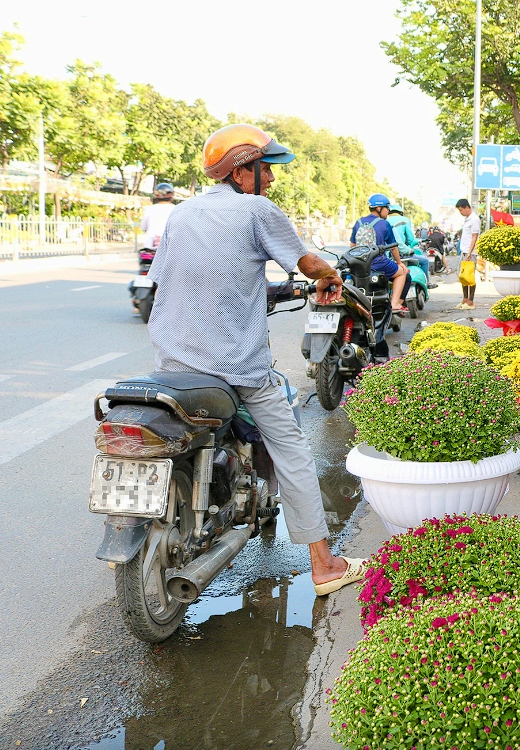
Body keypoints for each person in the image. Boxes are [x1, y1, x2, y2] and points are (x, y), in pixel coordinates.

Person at [146, 123, 364, 597]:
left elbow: (173, 281)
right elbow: (307, 264)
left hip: (172, 366)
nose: (271, 179)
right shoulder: (257, 210)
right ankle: (325, 565)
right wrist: (329, 277)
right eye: (266, 169)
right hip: (236, 369)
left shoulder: (180, 215)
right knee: (292, 449)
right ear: (242, 171)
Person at [350, 194, 409, 314]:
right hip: (379, 263)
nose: (388, 212)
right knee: (402, 273)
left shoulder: (358, 222)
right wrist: (399, 263)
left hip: (359, 264)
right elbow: (393, 247)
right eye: (387, 208)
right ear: (379, 208)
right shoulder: (384, 224)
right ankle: (395, 303)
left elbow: (352, 246)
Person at [386, 202, 434, 285]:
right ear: (400, 213)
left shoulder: (385, 221)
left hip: (387, 256)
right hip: (402, 254)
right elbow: (411, 240)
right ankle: (427, 283)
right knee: (425, 261)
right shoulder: (405, 220)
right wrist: (410, 248)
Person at [455, 198, 480, 309]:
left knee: (470, 276)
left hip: (471, 252)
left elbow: (474, 237)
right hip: (464, 251)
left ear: (467, 207)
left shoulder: (474, 219)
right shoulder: (467, 219)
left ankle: (471, 301)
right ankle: (465, 299)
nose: (461, 213)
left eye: (461, 210)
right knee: (464, 276)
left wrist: (470, 252)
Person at [140, 182, 176, 250]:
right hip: (169, 249)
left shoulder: (148, 209)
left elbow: (144, 228)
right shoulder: (176, 210)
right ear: (171, 196)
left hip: (150, 248)